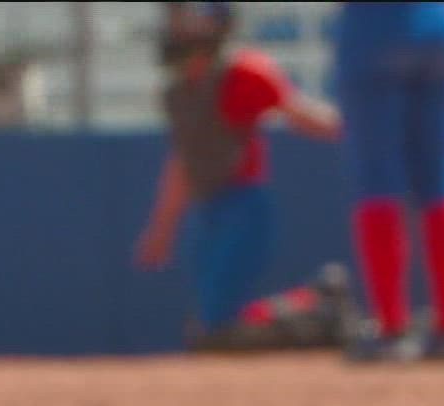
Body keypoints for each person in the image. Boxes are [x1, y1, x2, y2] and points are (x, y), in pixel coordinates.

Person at [134, 2, 350, 352]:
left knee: (216, 327)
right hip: (206, 211)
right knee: (207, 327)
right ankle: (316, 302)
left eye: (184, 20)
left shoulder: (243, 72)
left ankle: (317, 306)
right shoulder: (177, 92)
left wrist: (359, 129)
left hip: (242, 205)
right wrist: (162, 228)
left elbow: (299, 113)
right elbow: (181, 164)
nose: (175, 30)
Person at [330, 1, 444, 363]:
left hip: (374, 23)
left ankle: (392, 329)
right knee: (440, 180)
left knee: (377, 181)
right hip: (439, 22)